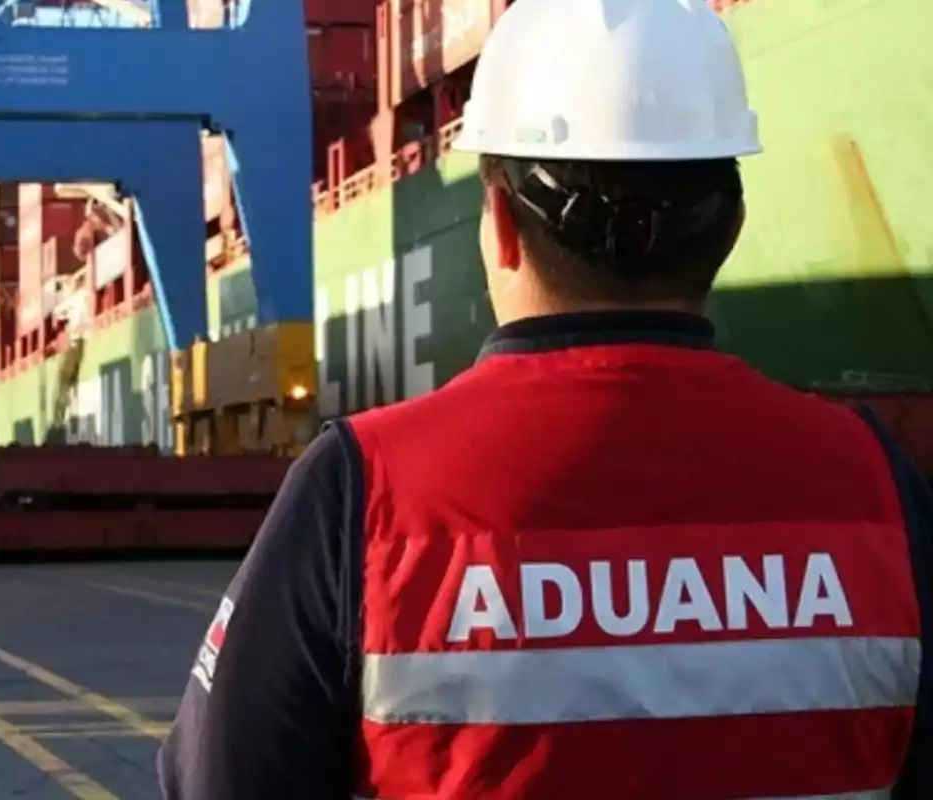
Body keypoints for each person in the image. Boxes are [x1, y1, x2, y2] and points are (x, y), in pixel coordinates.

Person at [158, 0, 930, 797]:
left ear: (497, 221)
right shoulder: (878, 484)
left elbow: (218, 780)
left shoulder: (361, 490)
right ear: (730, 221)